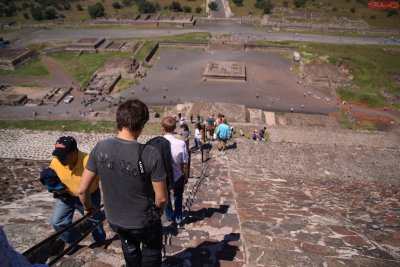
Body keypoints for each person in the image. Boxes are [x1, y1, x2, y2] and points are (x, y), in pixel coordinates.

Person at [78, 99, 168, 267]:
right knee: (151, 250)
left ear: (119, 121)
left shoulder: (100, 147)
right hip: (144, 221)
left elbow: (82, 190)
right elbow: (162, 199)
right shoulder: (150, 154)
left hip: (115, 220)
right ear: (142, 123)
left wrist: (88, 208)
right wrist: (157, 213)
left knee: (129, 246)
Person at [50, 136, 106, 250]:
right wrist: (56, 189)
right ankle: (73, 240)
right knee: (57, 221)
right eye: (58, 154)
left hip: (89, 196)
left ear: (74, 152)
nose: (60, 158)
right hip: (66, 196)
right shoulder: (56, 161)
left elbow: (106, 179)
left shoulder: (88, 162)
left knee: (94, 220)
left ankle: (100, 241)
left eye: (63, 155)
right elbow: (52, 178)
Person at [162, 117, 189, 226]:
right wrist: (186, 176)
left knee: (166, 195)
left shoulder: (159, 142)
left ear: (163, 128)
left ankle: (169, 216)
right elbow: (185, 163)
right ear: (174, 128)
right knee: (178, 196)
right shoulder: (181, 143)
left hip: (164, 176)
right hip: (178, 175)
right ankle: (178, 216)